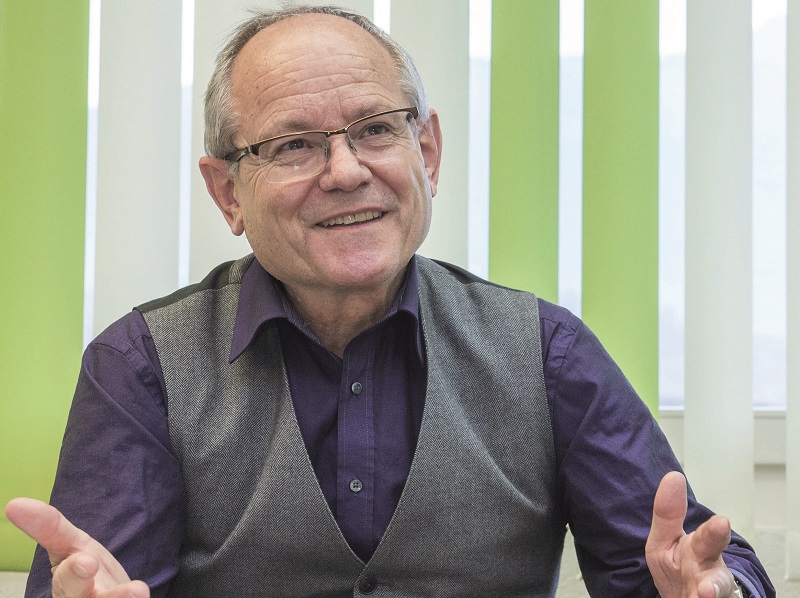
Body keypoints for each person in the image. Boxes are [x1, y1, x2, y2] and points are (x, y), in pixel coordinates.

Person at [5, 5, 774, 598]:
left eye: (376, 130)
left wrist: (717, 589)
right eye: (293, 145)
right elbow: (94, 582)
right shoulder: (140, 368)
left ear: (427, 154)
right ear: (227, 193)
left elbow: (689, 566)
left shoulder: (546, 353)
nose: (346, 171)